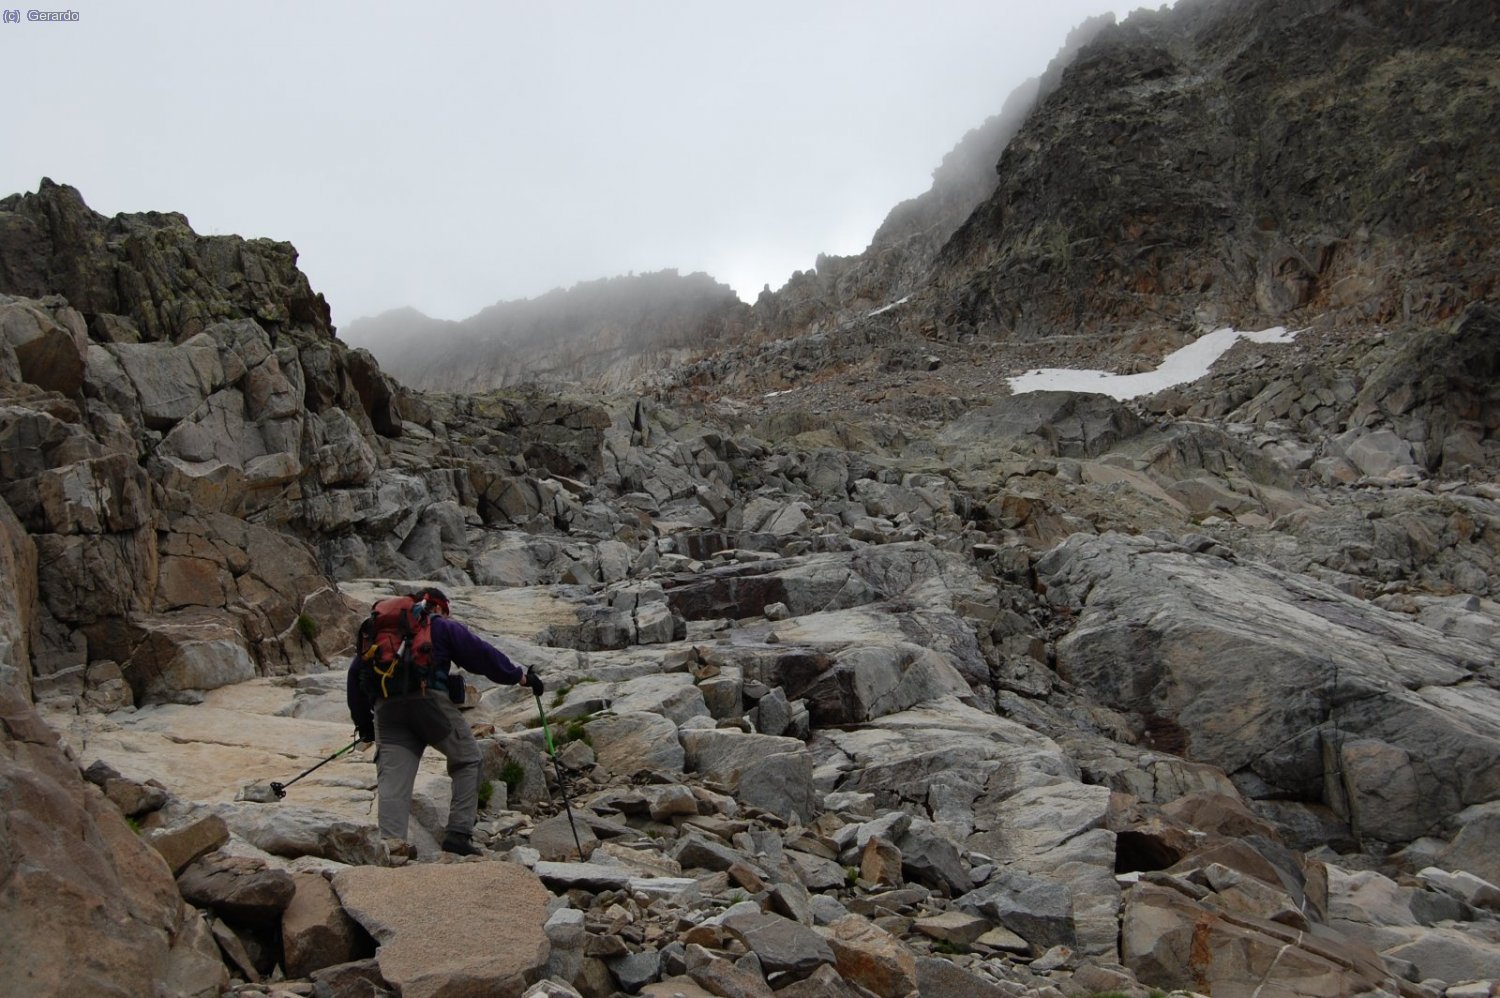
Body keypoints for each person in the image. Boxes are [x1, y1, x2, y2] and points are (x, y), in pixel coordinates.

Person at [346, 586, 543, 856]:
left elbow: (355, 675)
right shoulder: (437, 625)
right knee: (467, 760)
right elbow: (481, 655)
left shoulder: (382, 632)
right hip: (429, 704)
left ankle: (392, 848)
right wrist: (519, 677)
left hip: (387, 710)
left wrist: (366, 726)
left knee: (393, 779)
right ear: (437, 607)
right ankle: (458, 835)